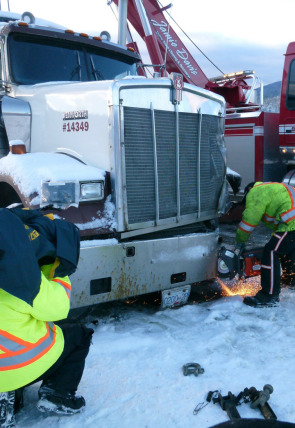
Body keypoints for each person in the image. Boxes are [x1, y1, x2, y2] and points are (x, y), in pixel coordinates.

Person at [0, 207, 93, 427]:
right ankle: (56, 395)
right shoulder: (24, 282)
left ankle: (7, 396)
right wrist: (55, 269)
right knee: (78, 335)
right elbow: (59, 309)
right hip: (12, 368)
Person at [236, 181, 295, 307]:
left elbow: (249, 220)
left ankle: (269, 295)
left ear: (249, 189)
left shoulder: (255, 191)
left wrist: (240, 241)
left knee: (271, 251)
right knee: (289, 250)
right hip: (291, 221)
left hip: (291, 223)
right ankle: (291, 282)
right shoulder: (272, 187)